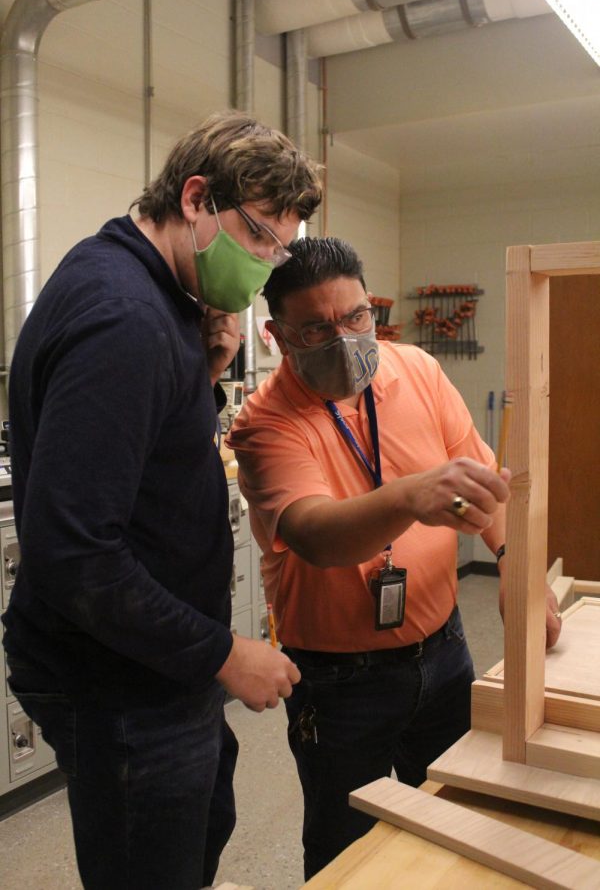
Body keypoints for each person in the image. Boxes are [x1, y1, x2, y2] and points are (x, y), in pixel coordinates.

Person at [2, 111, 322, 890]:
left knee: (200, 829)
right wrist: (224, 653)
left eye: (281, 247)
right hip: (119, 683)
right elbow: (76, 552)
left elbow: (139, 460)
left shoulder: (156, 290)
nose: (266, 265)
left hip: (155, 667)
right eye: (258, 239)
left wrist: (204, 375)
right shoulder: (125, 317)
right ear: (194, 197)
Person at [226, 236, 562, 880]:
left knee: (459, 821)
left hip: (443, 647)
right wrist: (409, 495)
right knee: (349, 851)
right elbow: (316, 535)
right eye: (318, 329)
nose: (346, 337)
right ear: (278, 336)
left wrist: (512, 559)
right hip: (338, 681)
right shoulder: (265, 423)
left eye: (356, 318)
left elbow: (483, 483)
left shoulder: (418, 370)